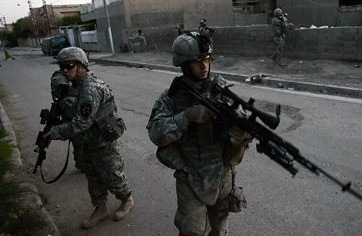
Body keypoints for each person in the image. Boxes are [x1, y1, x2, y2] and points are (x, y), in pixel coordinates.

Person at [147, 31, 252, 236]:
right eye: (197, 61)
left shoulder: (221, 92)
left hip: (222, 175)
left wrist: (242, 134)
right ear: (184, 65)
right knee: (191, 231)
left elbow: (241, 129)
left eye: (206, 59)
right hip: (190, 176)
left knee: (220, 228)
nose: (204, 66)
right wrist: (186, 116)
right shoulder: (170, 99)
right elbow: (156, 133)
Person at [44, 47, 133, 229]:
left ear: (82, 66)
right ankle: (101, 209)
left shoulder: (91, 88)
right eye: (62, 67)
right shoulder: (74, 87)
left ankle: (127, 199)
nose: (65, 71)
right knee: (93, 178)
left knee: (112, 176)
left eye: (69, 66)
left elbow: (80, 123)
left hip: (102, 142)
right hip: (85, 142)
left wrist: (54, 133)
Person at [50, 70, 84, 171]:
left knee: (80, 142)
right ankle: (82, 163)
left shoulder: (60, 76)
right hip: (72, 115)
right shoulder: (60, 78)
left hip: (75, 115)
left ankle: (83, 163)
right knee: (79, 142)